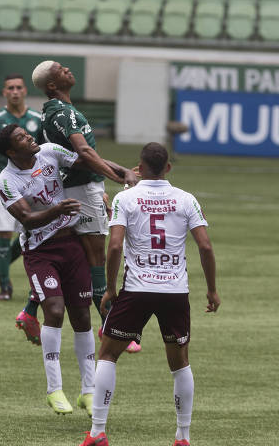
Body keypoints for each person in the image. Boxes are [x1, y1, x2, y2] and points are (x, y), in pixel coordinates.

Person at [80, 143, 220, 446]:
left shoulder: (125, 198)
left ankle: (98, 432)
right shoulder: (186, 199)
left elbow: (115, 246)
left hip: (137, 289)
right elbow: (206, 246)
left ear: (138, 168)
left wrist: (111, 288)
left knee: (108, 353)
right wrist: (211, 289)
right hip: (175, 290)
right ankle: (183, 436)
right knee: (180, 362)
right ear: (168, 167)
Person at [0, 124, 130, 416]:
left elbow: (88, 159)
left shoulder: (49, 152)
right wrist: (57, 210)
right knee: (54, 310)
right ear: (10, 151)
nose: (30, 137)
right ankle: (54, 390)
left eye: (27, 133)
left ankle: (88, 392)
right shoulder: (5, 180)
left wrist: (122, 173)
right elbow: (27, 219)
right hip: (40, 252)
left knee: (81, 315)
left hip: (71, 246)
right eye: (21, 137)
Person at [32, 60, 142, 354]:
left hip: (76, 187)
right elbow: (83, 152)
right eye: (59, 69)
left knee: (78, 254)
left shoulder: (52, 114)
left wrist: (116, 173)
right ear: (52, 85)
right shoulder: (64, 111)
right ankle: (112, 325)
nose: (67, 68)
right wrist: (116, 178)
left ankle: (30, 309)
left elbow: (83, 155)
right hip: (83, 188)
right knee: (97, 259)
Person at [0, 73, 44, 342]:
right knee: (5, 232)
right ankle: (5, 286)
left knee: (31, 229)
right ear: (4, 92)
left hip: (33, 184)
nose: (15, 92)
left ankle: (0, 263)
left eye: (18, 87)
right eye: (10, 88)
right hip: (1, 184)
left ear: (25, 90)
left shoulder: (37, 120)